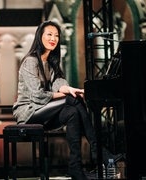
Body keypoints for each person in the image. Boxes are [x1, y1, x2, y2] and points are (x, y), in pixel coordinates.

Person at [12, 20, 97, 180]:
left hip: (44, 112)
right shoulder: (31, 61)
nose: (53, 38)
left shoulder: (51, 63)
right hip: (29, 112)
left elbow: (60, 84)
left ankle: (75, 168)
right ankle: (97, 149)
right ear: (40, 37)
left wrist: (71, 90)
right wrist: (68, 95)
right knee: (72, 101)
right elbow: (37, 96)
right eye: (49, 34)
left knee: (72, 112)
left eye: (56, 35)